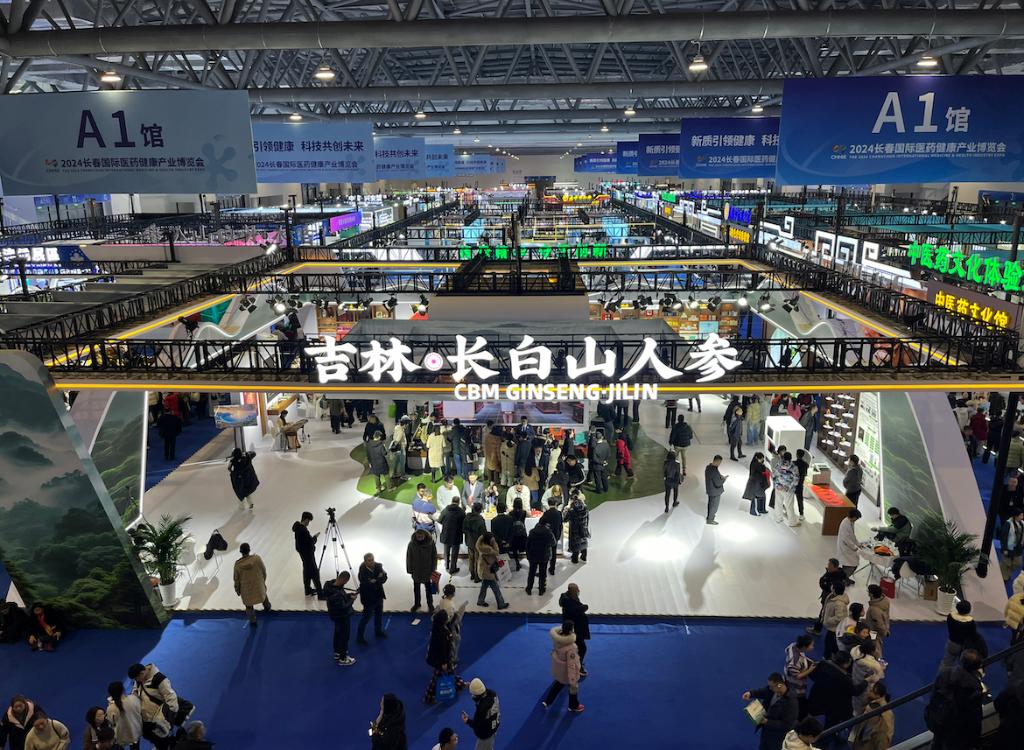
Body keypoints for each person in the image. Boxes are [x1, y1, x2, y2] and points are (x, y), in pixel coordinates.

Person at [926, 649, 985, 750]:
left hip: (939, 722)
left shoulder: (945, 673)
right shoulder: (974, 686)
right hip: (957, 731)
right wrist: (976, 741)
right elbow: (975, 717)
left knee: (937, 743)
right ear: (977, 667)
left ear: (961, 660)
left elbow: (934, 696)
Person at [807, 651, 865, 742]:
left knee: (811, 717)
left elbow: (813, 675)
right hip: (834, 706)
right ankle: (825, 741)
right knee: (830, 725)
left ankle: (810, 732)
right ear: (846, 663)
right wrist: (866, 682)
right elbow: (855, 691)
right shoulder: (845, 679)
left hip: (818, 697)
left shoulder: (823, 664)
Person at [128, 662, 185, 747]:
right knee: (151, 736)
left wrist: (169, 716)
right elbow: (135, 693)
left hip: (159, 718)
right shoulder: (139, 680)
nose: (136, 681)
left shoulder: (159, 679)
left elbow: (170, 697)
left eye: (136, 678)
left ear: (142, 673)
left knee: (163, 740)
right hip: (147, 718)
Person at [742, 673, 798, 750]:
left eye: (771, 687)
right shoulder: (774, 689)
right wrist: (751, 693)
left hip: (778, 738)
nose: (770, 688)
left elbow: (787, 725)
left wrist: (767, 722)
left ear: (779, 685)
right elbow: (765, 691)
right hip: (766, 731)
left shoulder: (791, 702)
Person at [541, 621, 585, 713]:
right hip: (566, 672)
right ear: (571, 630)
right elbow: (571, 665)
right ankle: (573, 706)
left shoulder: (557, 640)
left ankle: (547, 701)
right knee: (573, 688)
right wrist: (573, 680)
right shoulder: (571, 647)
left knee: (559, 684)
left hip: (559, 669)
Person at [424, 609, 465, 704]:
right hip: (440, 660)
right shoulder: (441, 633)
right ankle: (428, 697)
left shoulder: (438, 628)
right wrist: (444, 662)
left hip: (439, 658)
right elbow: (442, 649)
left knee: (450, 671)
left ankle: (458, 684)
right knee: (437, 676)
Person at [233, 543, 270, 628]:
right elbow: (264, 571)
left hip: (246, 592)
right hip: (259, 588)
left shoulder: (237, 565)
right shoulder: (257, 559)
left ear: (241, 552)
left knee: (248, 606)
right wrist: (262, 582)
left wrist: (237, 590)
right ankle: (267, 607)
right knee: (263, 595)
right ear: (249, 550)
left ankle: (253, 621)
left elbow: (236, 580)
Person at [324, 571, 357, 666]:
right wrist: (352, 600)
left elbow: (342, 596)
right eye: (346, 582)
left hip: (335, 616)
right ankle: (343, 658)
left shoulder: (330, 585)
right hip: (342, 616)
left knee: (338, 634)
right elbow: (344, 607)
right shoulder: (336, 594)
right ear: (344, 580)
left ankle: (337, 652)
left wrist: (348, 595)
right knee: (344, 636)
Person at [849, 681, 893, 750]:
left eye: (871, 691)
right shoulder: (871, 703)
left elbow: (887, 735)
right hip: (860, 741)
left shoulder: (886, 715)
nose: (868, 692)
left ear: (878, 695)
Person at [808, 559, 847, 635]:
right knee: (824, 613)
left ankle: (818, 629)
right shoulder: (832, 573)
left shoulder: (836, 577)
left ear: (835, 567)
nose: (828, 567)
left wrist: (824, 581)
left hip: (830, 599)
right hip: (828, 597)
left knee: (823, 613)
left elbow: (826, 586)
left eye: (829, 565)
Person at [559, 583, 591, 674]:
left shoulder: (570, 597)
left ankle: (575, 663)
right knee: (582, 648)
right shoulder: (568, 601)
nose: (578, 591)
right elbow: (575, 611)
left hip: (575, 628)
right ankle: (578, 666)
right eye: (577, 590)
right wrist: (584, 607)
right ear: (572, 591)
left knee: (575, 648)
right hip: (574, 629)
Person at [356, 553, 388, 644]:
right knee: (366, 618)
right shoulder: (362, 570)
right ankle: (360, 637)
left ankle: (378, 631)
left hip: (378, 595)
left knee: (379, 615)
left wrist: (375, 580)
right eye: (369, 560)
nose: (372, 562)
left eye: (372, 559)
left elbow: (385, 578)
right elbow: (366, 583)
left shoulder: (379, 566)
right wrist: (378, 578)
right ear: (365, 561)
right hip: (368, 598)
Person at [292, 511, 324, 599]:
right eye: (309, 521)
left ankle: (307, 590)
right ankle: (321, 594)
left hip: (304, 555)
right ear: (306, 519)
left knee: (306, 571)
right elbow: (310, 542)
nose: (308, 523)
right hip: (308, 555)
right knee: (315, 573)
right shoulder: (303, 530)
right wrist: (315, 537)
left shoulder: (297, 529)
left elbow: (298, 546)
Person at [462, 679, 500, 750]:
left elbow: (477, 725)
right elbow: (482, 690)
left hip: (485, 735)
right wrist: (471, 686)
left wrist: (467, 721)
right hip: (493, 727)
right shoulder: (492, 693)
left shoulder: (481, 709)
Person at [784, 634, 816, 718]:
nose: (813, 647)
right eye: (811, 645)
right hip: (795, 685)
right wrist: (810, 670)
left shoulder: (793, 645)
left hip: (791, 677)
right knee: (799, 702)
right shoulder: (795, 661)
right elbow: (797, 676)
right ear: (804, 647)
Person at [850, 639, 884, 716]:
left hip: (856, 681)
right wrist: (882, 668)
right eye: (877, 648)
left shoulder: (857, 652)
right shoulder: (873, 665)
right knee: (861, 707)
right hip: (864, 688)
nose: (878, 650)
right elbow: (878, 677)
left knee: (856, 702)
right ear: (872, 651)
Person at [475, 532, 509, 609]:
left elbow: (477, 543)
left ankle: (480, 601)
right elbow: (497, 552)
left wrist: (481, 537)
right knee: (496, 589)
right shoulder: (487, 548)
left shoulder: (481, 545)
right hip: (488, 571)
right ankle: (501, 604)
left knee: (484, 586)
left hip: (484, 570)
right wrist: (494, 543)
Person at [406, 529, 437, 613]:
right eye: (418, 537)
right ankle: (417, 604)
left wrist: (433, 568)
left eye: (421, 536)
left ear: (425, 536)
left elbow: (434, 556)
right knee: (416, 589)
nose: (419, 538)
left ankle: (430, 604)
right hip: (416, 570)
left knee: (428, 589)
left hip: (427, 570)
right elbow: (409, 557)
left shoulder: (430, 543)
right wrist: (410, 570)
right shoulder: (412, 544)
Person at [106, 682, 142, 750]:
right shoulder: (133, 699)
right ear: (123, 689)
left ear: (110, 694)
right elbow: (139, 710)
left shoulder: (110, 708)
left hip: (121, 735)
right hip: (135, 730)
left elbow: (111, 722)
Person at [526, 519, 555, 596]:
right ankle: (541, 589)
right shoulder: (549, 532)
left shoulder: (532, 531)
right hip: (544, 555)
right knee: (543, 573)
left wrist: (528, 554)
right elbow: (553, 543)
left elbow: (528, 544)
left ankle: (529, 588)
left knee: (532, 572)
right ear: (546, 524)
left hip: (533, 555)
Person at [820, 581, 849, 659]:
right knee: (832, 641)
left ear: (834, 589)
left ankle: (827, 656)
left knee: (828, 641)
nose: (831, 587)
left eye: (832, 586)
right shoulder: (832, 596)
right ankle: (836, 653)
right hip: (833, 626)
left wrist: (828, 620)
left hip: (834, 626)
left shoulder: (839, 603)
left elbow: (839, 617)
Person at [438, 497, 466, 575]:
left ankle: (447, 565)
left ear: (452, 501)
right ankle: (452, 568)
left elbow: (439, 520)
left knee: (446, 551)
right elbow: (464, 523)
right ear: (459, 502)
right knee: (454, 553)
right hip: (456, 535)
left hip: (446, 534)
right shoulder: (461, 512)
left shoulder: (445, 510)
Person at [772, 452, 801, 526]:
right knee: (789, 506)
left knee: (778, 503)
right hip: (788, 489)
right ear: (791, 458)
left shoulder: (778, 464)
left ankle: (778, 518)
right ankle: (792, 522)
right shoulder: (794, 467)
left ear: (783, 457)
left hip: (778, 487)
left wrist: (777, 485)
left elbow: (774, 475)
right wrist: (789, 487)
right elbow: (796, 479)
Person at [463, 503, 487, 583]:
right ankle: (477, 577)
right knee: (477, 560)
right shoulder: (480, 520)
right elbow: (483, 533)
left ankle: (472, 574)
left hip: (469, 541)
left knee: (471, 559)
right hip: (477, 542)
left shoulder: (467, 518)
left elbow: (463, 530)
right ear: (480, 510)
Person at [564, 492, 590, 564]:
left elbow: (565, 519)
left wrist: (566, 510)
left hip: (574, 529)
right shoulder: (585, 507)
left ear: (571, 500)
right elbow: (588, 517)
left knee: (576, 543)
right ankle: (584, 557)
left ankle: (575, 559)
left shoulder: (571, 510)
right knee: (583, 541)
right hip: (583, 527)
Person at [865, 585, 891, 656]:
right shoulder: (884, 601)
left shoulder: (874, 609)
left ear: (871, 594)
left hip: (873, 631)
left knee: (875, 646)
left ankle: (877, 659)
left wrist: (884, 632)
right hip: (882, 628)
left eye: (868, 592)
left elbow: (879, 624)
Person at [999, 508, 1024, 582]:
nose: (1022, 516)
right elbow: (1003, 537)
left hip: (1018, 548)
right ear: (1016, 516)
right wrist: (1004, 548)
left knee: (1018, 563)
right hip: (1009, 547)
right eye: (1021, 515)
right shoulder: (1008, 523)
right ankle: (1003, 578)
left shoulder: (1022, 523)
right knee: (1006, 563)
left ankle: (1007, 574)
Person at [837, 509, 862, 581]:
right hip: (845, 547)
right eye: (856, 518)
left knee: (851, 563)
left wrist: (858, 544)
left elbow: (852, 536)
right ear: (853, 516)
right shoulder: (845, 524)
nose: (856, 520)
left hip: (848, 546)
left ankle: (845, 578)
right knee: (851, 564)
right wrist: (854, 547)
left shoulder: (850, 522)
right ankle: (843, 579)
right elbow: (846, 539)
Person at [540, 498, 564, 575]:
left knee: (545, 552)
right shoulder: (559, 513)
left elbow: (541, 523)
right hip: (556, 535)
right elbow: (561, 525)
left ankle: (543, 569)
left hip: (547, 535)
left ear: (548, 503)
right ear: (556, 503)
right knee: (553, 553)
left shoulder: (546, 513)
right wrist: (559, 534)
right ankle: (552, 569)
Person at [743, 452, 770, 516]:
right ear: (757, 458)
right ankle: (754, 511)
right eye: (761, 459)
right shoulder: (756, 464)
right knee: (756, 497)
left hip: (756, 483)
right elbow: (761, 471)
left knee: (761, 496)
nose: (762, 460)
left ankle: (760, 509)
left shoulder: (755, 463)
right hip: (755, 483)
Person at [704, 455, 727, 524]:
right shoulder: (713, 470)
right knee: (714, 506)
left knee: (711, 504)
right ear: (717, 461)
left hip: (710, 490)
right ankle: (710, 520)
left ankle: (709, 517)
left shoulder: (708, 467)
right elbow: (718, 483)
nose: (720, 464)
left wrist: (719, 476)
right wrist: (724, 479)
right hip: (715, 492)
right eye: (720, 462)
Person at [508, 499, 529, 571]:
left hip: (514, 533)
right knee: (526, 548)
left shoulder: (511, 513)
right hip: (522, 532)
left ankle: (517, 563)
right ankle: (530, 563)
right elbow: (529, 515)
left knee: (514, 549)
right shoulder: (524, 512)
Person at [794, 448, 810, 519]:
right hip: (800, 484)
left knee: (790, 498)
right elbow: (805, 474)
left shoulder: (793, 463)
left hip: (793, 484)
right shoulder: (805, 464)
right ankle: (801, 514)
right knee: (800, 499)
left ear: (796, 455)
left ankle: (789, 511)